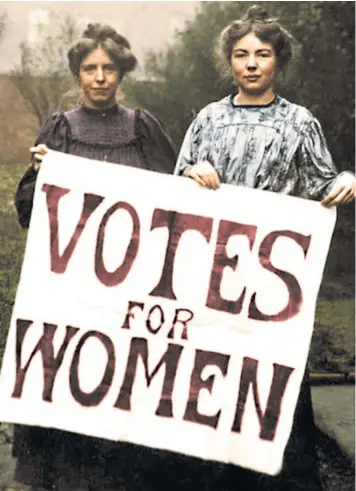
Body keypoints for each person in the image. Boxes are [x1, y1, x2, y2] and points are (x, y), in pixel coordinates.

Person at [174, 5, 355, 491]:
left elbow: (324, 184)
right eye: (240, 54)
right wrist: (192, 174)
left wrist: (347, 179)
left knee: (274, 384)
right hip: (213, 281)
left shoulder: (299, 123)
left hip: (272, 282)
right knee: (212, 379)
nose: (251, 63)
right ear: (228, 62)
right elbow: (172, 193)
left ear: (279, 61)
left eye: (262, 54)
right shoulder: (208, 119)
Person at [11, 23, 176, 491]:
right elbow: (28, 212)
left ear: (121, 73)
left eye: (108, 68)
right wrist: (41, 175)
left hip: (132, 286)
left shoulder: (144, 128)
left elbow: (179, 203)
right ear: (77, 74)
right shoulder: (59, 130)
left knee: (126, 383)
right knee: (73, 378)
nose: (100, 77)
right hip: (73, 291)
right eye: (90, 69)